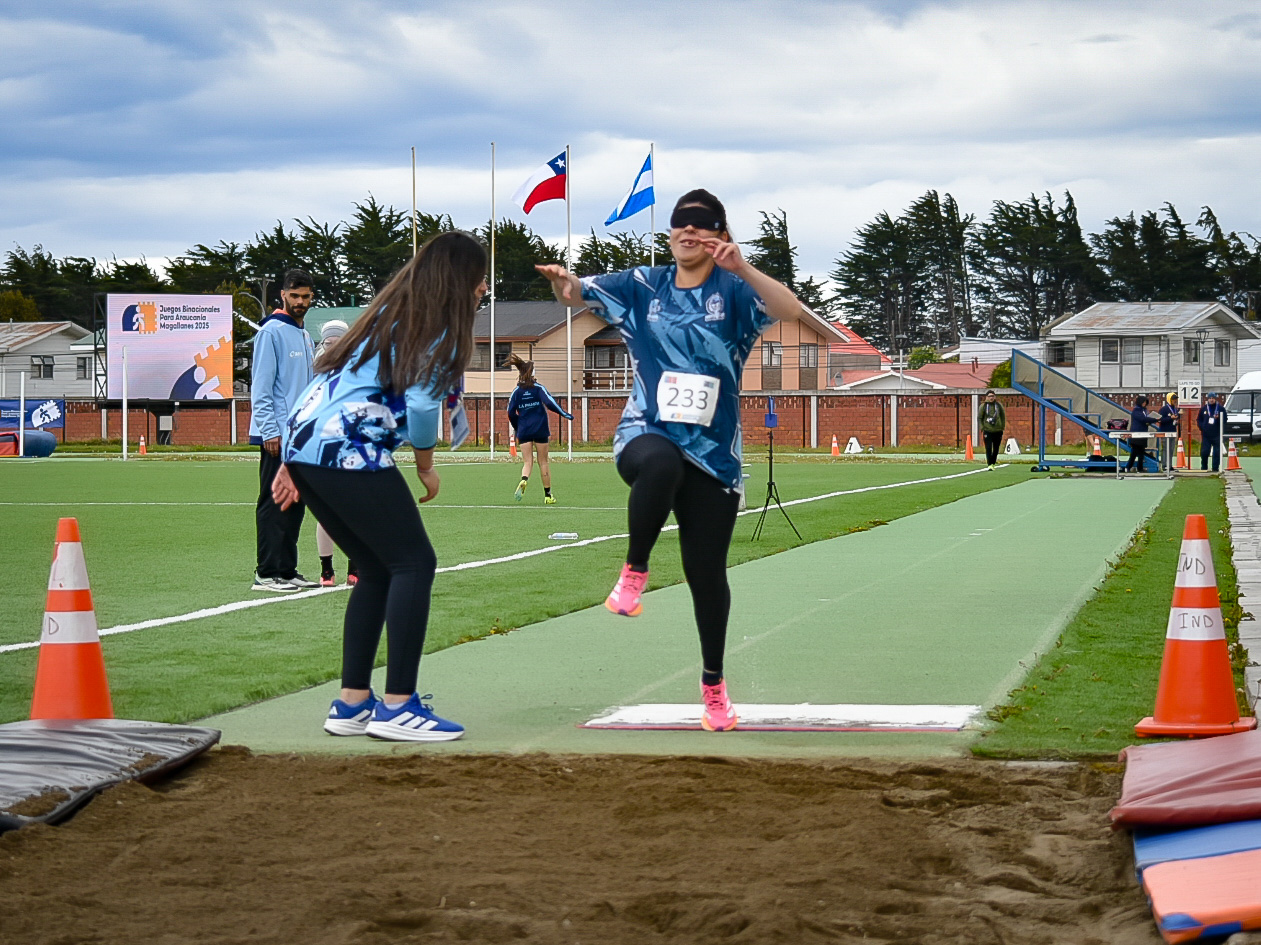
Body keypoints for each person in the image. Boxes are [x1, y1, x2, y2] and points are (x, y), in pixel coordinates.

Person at [536, 189, 803, 733]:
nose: (688, 232)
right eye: (681, 224)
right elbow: (578, 295)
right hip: (647, 431)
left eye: (701, 225)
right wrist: (566, 286)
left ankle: (714, 688)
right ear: (670, 234)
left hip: (713, 453)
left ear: (719, 236)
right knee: (659, 465)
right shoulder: (643, 285)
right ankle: (634, 572)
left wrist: (743, 265)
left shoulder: (734, 290)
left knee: (706, 576)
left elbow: (789, 310)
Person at [271, 230, 487, 742]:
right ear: (461, 280)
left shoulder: (385, 314)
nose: (482, 289)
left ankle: (352, 704)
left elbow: (327, 382)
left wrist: (292, 461)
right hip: (348, 449)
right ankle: (398, 706)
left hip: (308, 444)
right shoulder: (438, 324)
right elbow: (421, 406)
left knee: (374, 569)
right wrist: (427, 464)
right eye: (480, 280)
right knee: (415, 562)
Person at [249, 269, 317, 592]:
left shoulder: (305, 336)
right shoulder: (270, 332)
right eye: (295, 296)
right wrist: (269, 430)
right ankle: (267, 571)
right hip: (277, 436)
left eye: (305, 296)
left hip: (301, 436)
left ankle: (287, 569)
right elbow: (261, 388)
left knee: (295, 500)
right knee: (274, 500)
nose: (300, 302)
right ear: (283, 295)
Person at [311, 319, 358, 587]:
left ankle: (354, 568)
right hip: (324, 447)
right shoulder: (318, 370)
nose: (332, 345)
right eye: (328, 341)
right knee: (327, 512)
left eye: (337, 341)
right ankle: (327, 570)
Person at [505, 353, 574, 503]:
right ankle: (548, 495)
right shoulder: (538, 388)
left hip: (524, 431)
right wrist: (564, 414)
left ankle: (524, 479)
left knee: (527, 462)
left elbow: (510, 412)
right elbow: (550, 403)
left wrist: (518, 427)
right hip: (540, 429)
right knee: (543, 462)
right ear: (533, 373)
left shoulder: (516, 392)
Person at [1123, 395, 1159, 473]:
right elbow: (1142, 419)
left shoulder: (1145, 410)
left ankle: (1140, 468)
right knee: (1135, 451)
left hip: (1143, 433)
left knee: (1141, 452)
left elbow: (1145, 419)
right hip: (1136, 433)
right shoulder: (1136, 410)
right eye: (1143, 402)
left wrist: (1151, 420)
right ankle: (1128, 466)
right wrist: (1154, 419)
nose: (1144, 403)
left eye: (1145, 402)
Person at [1197, 392, 1225, 472]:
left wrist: (1219, 418)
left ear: (1215, 399)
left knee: (1217, 452)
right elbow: (1199, 419)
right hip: (1206, 434)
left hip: (1216, 434)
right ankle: (1204, 467)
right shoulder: (1204, 409)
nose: (1211, 400)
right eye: (1210, 398)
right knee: (1205, 451)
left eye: (1213, 398)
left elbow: (1225, 420)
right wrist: (1202, 427)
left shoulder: (1220, 408)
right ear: (1207, 399)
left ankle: (1215, 468)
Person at [977, 390, 1006, 466]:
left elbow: (1003, 416)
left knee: (996, 449)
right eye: (989, 396)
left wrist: (1002, 426)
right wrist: (982, 428)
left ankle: (993, 462)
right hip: (988, 430)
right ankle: (990, 464)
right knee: (988, 448)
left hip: (998, 430)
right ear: (986, 397)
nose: (991, 398)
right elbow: (980, 418)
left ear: (995, 397)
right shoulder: (983, 406)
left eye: (992, 396)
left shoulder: (998, 405)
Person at [1157, 392, 1179, 470]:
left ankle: (1169, 465)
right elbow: (1160, 419)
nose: (1175, 401)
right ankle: (1164, 465)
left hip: (1172, 431)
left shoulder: (1175, 409)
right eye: (1173, 399)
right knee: (1165, 448)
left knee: (1171, 449)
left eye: (1176, 399)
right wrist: (1170, 418)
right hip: (1165, 432)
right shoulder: (1164, 409)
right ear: (1169, 400)